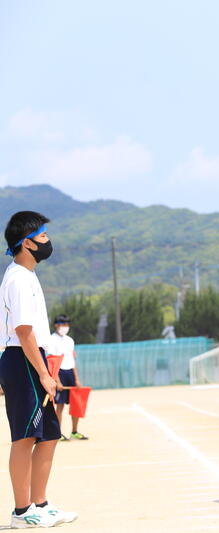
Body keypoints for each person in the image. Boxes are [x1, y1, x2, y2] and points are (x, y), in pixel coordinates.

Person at [0, 211, 77, 527]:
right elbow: (23, 331)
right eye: (43, 236)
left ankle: (40, 504)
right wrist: (43, 373)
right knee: (25, 436)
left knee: (48, 435)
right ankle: (22, 512)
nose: (48, 241)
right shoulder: (17, 277)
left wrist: (48, 368)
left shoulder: (29, 276)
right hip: (21, 360)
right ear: (26, 243)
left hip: (34, 358)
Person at [49, 315, 89, 441]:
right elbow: (52, 361)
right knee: (60, 406)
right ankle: (58, 433)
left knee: (76, 403)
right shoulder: (51, 339)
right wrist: (57, 381)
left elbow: (72, 360)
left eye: (67, 324)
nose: (65, 327)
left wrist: (77, 379)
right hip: (59, 373)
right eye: (63, 324)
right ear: (56, 325)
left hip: (70, 373)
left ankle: (74, 432)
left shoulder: (70, 340)